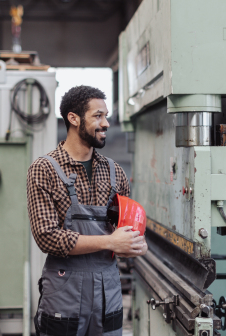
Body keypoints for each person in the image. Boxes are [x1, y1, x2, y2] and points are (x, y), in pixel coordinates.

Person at [27, 85, 148, 336]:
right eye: (97, 116)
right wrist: (111, 242)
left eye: (106, 116)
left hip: (108, 291)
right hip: (64, 291)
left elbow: (125, 232)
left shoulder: (115, 173)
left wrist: (136, 244)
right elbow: (46, 237)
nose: (105, 123)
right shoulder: (44, 169)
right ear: (73, 119)